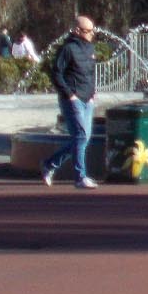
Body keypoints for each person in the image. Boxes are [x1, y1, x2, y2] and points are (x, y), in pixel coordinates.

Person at [41, 16, 99, 189]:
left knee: (82, 138)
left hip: (87, 99)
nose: (92, 34)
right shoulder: (68, 49)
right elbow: (56, 74)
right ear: (77, 31)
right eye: (88, 31)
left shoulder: (90, 48)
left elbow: (89, 73)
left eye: (93, 30)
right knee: (81, 137)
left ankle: (50, 164)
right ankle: (80, 177)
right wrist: (69, 95)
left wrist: (92, 92)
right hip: (72, 100)